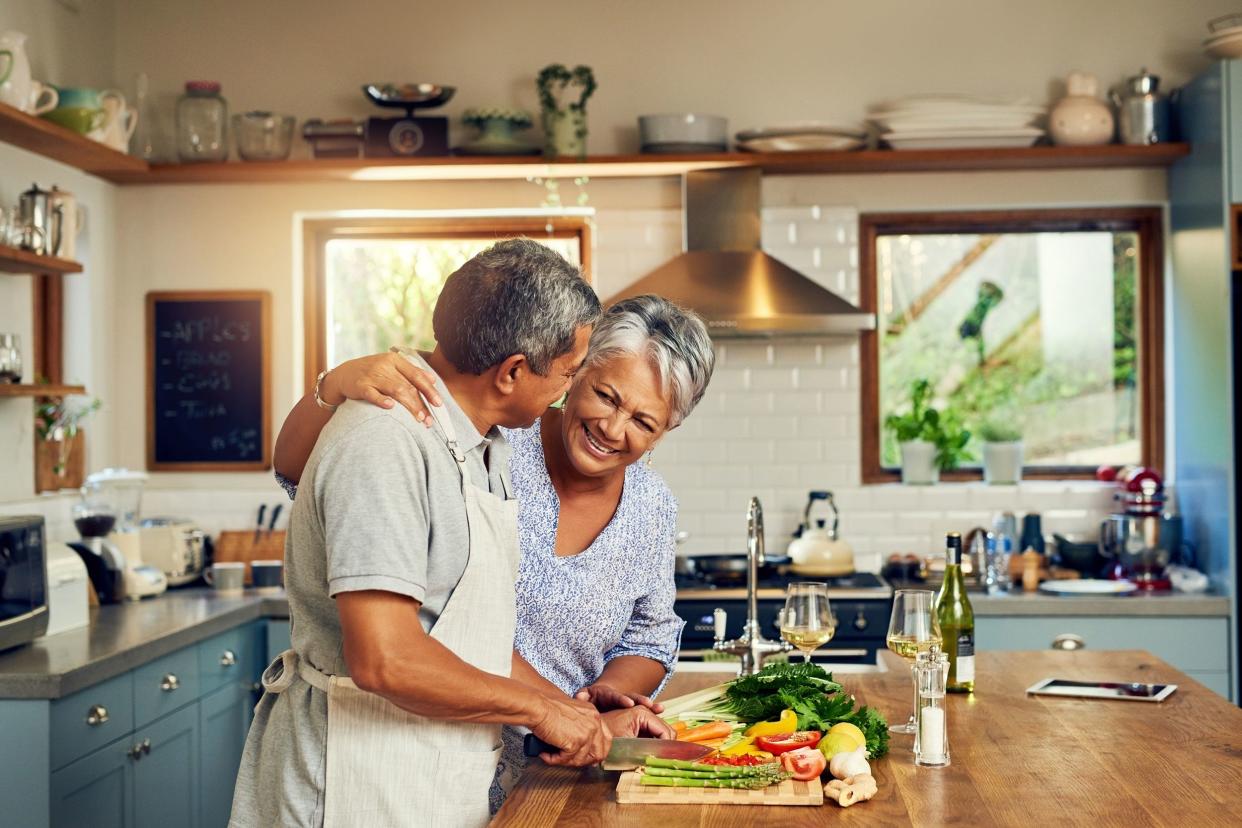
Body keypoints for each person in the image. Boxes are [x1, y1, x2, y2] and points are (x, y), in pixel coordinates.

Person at [230, 239, 623, 828]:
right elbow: (386, 659)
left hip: (425, 773)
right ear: (513, 371)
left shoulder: (482, 443)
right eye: (567, 376)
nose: (566, 395)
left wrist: (575, 713)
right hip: (350, 784)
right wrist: (538, 712)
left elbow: (465, 636)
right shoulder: (385, 440)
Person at [272, 294, 717, 811]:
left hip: (562, 757)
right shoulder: (493, 438)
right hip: (424, 743)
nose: (613, 429)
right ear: (575, 372)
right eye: (607, 396)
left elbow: (650, 631)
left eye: (645, 422)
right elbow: (301, 468)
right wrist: (334, 384)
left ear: (667, 432)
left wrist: (591, 705)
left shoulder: (652, 505)